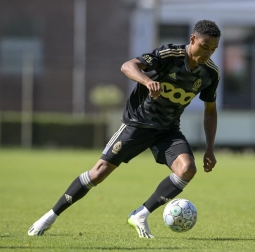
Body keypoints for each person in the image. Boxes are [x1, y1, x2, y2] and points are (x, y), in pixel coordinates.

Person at [28, 19, 221, 238]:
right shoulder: (170, 55)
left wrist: (210, 148)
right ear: (193, 39)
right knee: (98, 173)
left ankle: (140, 214)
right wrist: (147, 81)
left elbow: (211, 111)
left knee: (187, 170)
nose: (207, 53)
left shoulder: (210, 74)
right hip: (138, 123)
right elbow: (128, 66)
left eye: (213, 49)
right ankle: (50, 216)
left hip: (167, 129)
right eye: (204, 47)